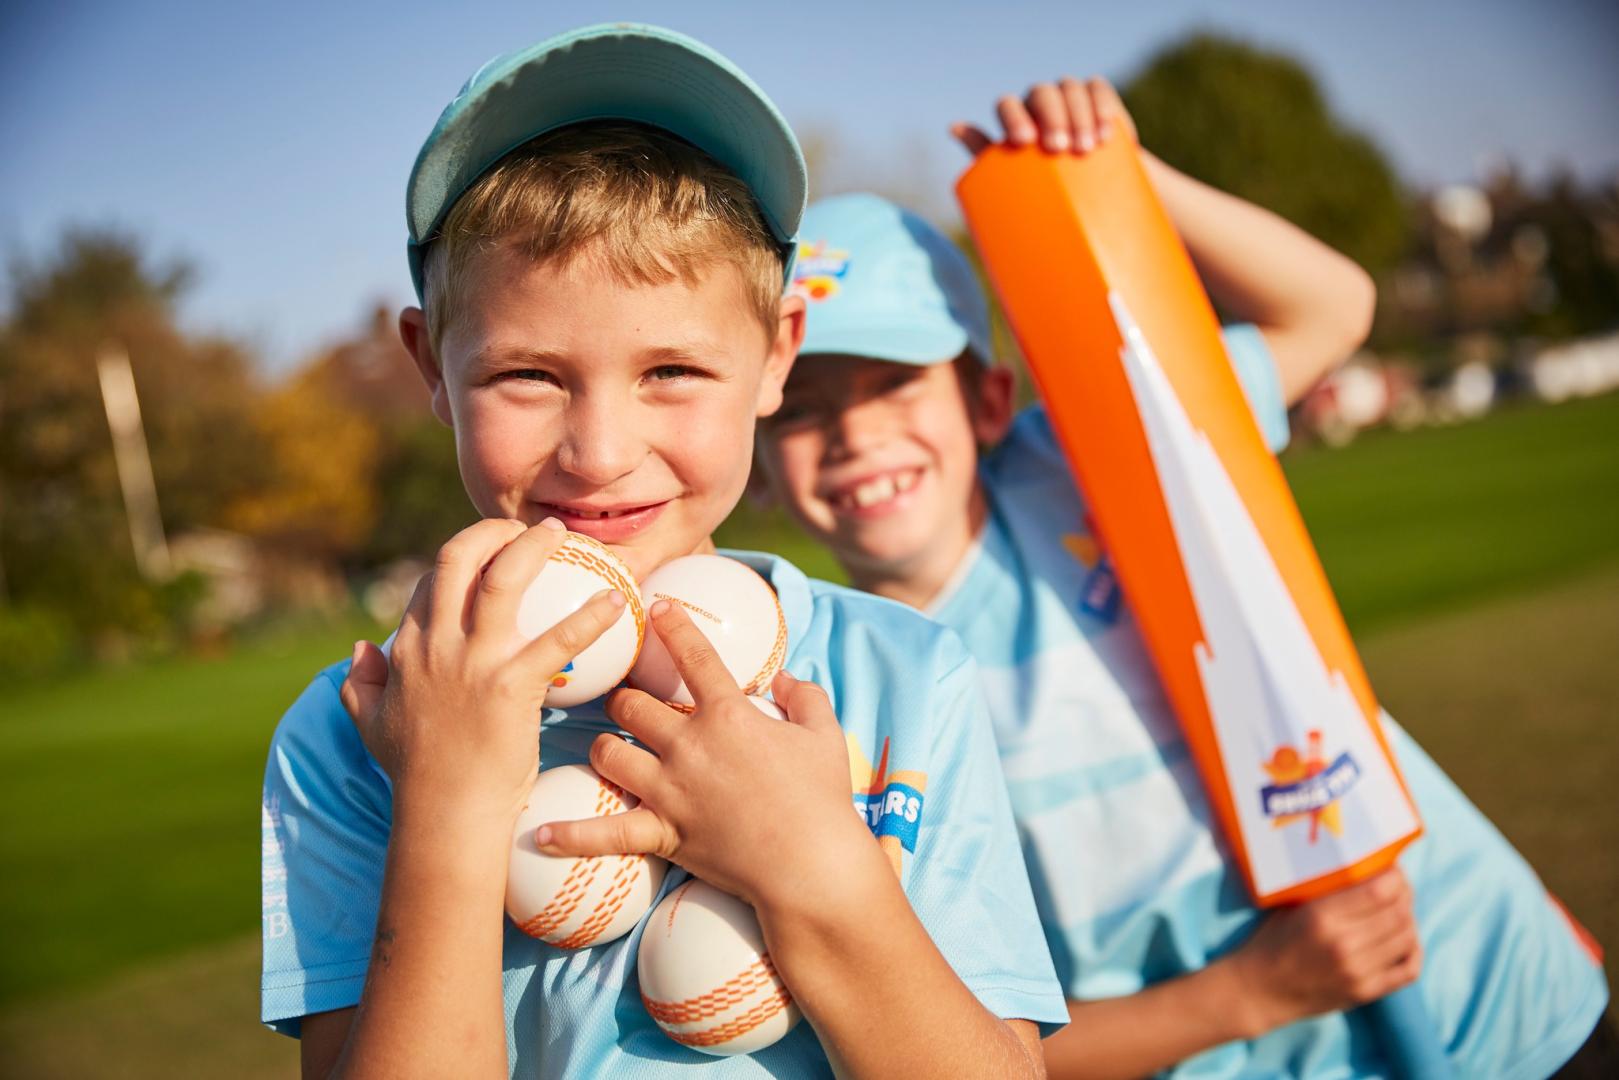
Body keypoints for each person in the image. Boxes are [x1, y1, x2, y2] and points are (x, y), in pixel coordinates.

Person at [754, 76, 1611, 1078]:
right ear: (758, 455)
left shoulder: (1094, 457)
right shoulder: (821, 688)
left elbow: (1330, 310)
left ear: (988, 400)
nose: (855, 434)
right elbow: (972, 1039)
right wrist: (1250, 993)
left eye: (896, 382)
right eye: (802, 409)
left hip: (1484, 984)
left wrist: (1122, 174)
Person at [258, 24, 1069, 1079]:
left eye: (672, 371)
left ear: (776, 354)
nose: (599, 454)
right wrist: (447, 812)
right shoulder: (361, 725)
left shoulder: (899, 676)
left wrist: (817, 873)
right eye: (528, 377)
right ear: (430, 366)